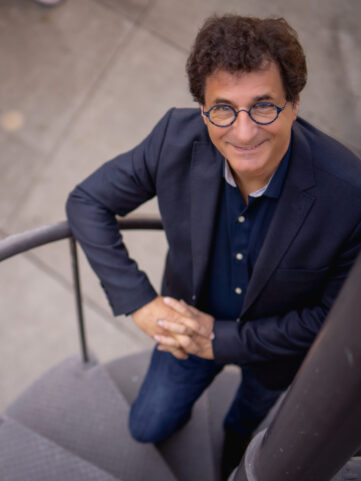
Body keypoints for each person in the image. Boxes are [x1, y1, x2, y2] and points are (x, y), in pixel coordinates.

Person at [66, 15, 361, 480]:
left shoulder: (348, 193)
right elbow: (86, 202)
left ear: (294, 104)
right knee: (147, 425)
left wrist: (222, 340)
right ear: (202, 110)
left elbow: (332, 317)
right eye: (223, 109)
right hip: (185, 326)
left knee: (247, 434)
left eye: (263, 107)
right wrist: (141, 303)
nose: (243, 133)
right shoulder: (174, 139)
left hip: (275, 355)